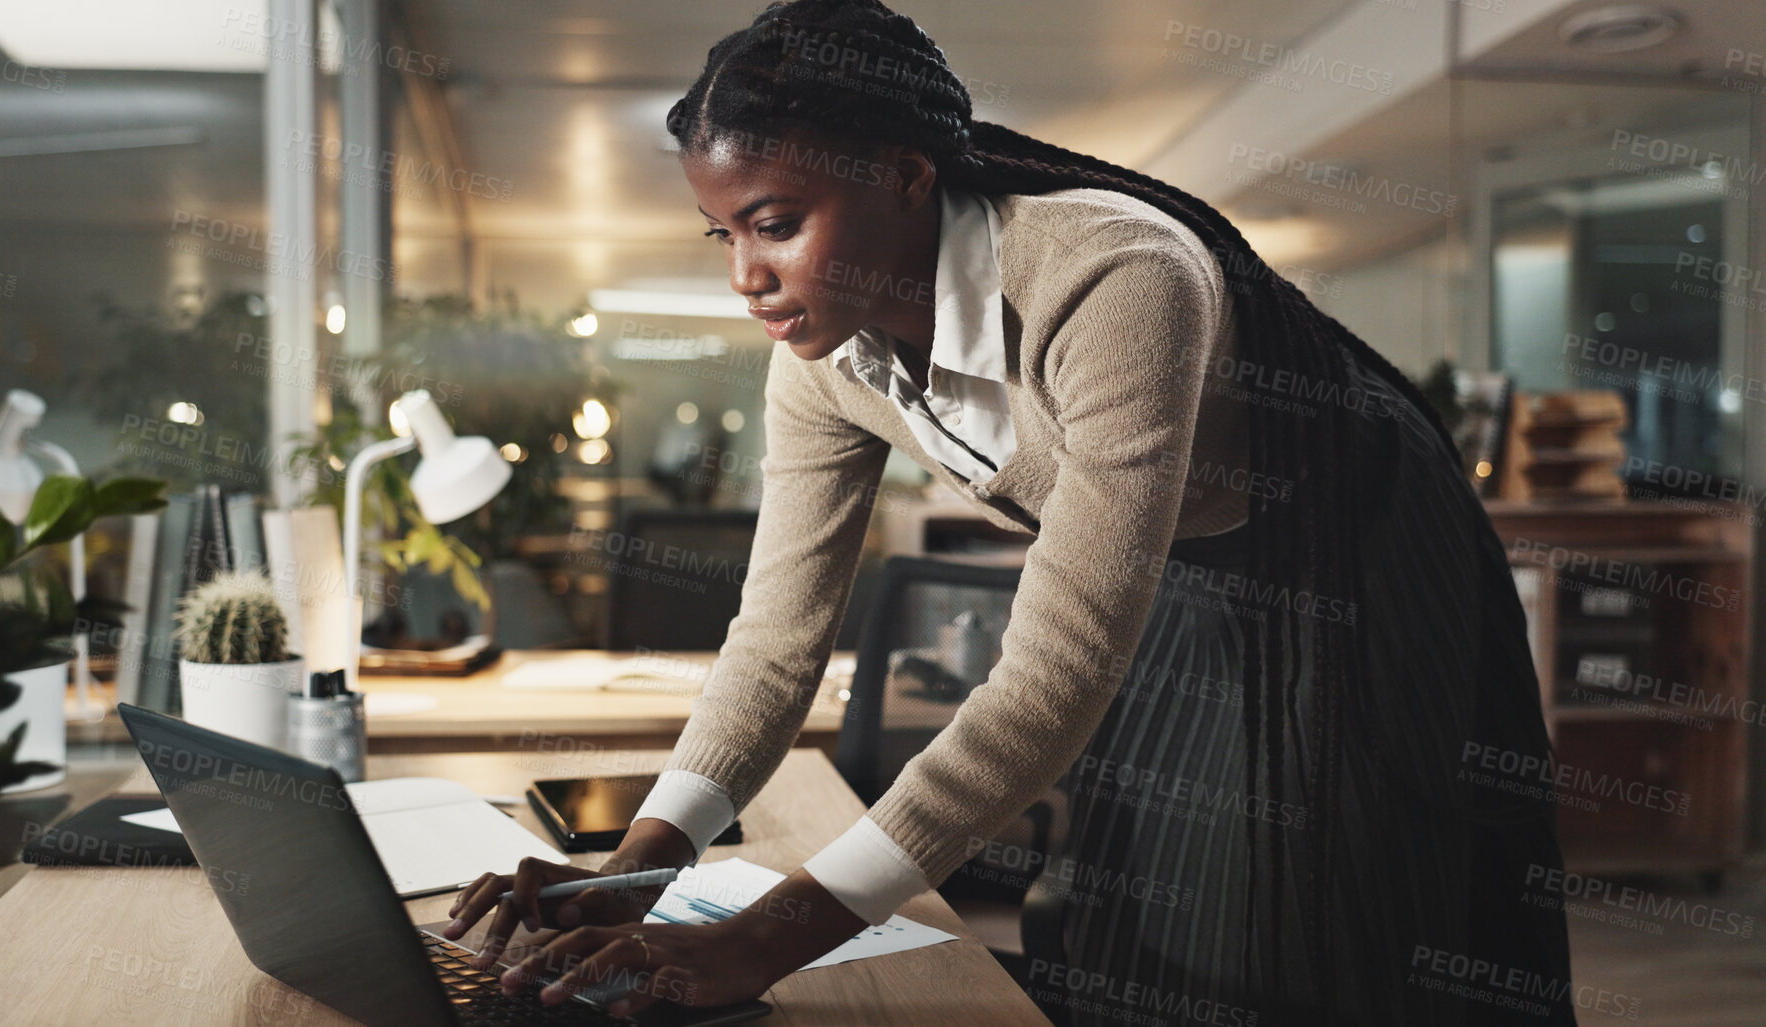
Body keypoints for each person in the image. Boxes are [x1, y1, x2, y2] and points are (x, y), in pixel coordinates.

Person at [444, 2, 1577, 1023]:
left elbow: (1055, 670)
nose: (746, 273)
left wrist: (764, 939)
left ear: (905, 175)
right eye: (724, 233)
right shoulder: (823, 357)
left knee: (1304, 917)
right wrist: (640, 866)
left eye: (776, 221)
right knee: (1129, 916)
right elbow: (775, 641)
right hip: (1187, 559)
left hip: (1354, 544)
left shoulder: (1114, 277)